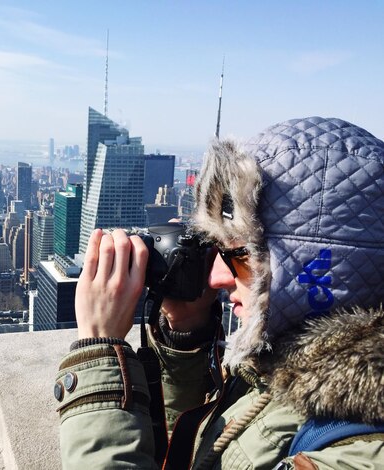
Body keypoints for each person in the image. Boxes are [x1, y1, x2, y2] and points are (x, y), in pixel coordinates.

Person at [55, 117, 384, 469]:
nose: (216, 278)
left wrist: (99, 357)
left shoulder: (357, 456)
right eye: (218, 251)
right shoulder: (286, 368)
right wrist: (185, 334)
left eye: (240, 256)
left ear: (317, 271)